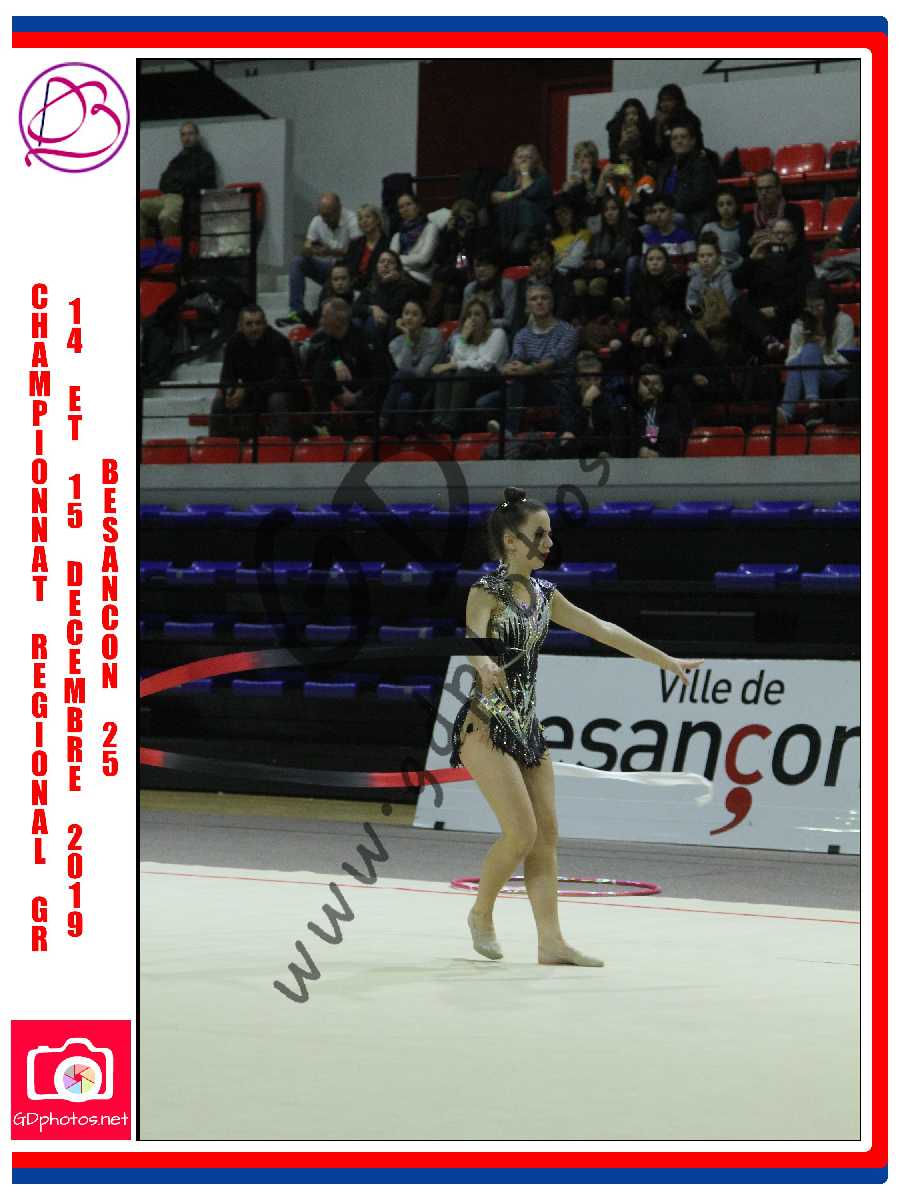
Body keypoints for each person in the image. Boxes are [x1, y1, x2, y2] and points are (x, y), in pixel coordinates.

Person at [451, 487, 703, 965]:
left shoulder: (546, 595)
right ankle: (481, 913)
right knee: (520, 833)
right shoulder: (485, 591)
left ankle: (551, 942)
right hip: (485, 725)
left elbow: (602, 629)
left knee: (546, 837)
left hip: (527, 727)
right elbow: (473, 634)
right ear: (511, 541)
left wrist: (664, 660)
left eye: (550, 533)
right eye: (539, 534)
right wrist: (482, 662)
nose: (549, 542)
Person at [495, 283, 579, 439]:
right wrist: (508, 368)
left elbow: (555, 359)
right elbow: (516, 359)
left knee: (517, 381)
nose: (539, 302)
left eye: (544, 298)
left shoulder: (568, 331)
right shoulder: (522, 335)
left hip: (559, 387)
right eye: (534, 299)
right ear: (528, 306)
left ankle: (509, 430)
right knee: (484, 403)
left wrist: (529, 369)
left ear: (552, 303)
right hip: (529, 385)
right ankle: (499, 434)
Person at [209, 305, 298, 439]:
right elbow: (226, 377)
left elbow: (284, 381)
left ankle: (279, 445)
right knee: (219, 401)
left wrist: (246, 390)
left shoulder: (279, 342)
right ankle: (218, 447)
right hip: (252, 394)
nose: (254, 328)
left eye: (258, 323)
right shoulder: (233, 343)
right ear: (240, 326)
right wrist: (229, 391)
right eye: (249, 324)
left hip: (279, 394)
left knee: (276, 399)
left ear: (265, 324)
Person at [779, 281, 855, 426]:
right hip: (806, 377)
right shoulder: (799, 325)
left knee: (810, 351)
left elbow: (843, 360)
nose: (815, 311)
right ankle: (813, 406)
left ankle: (787, 411)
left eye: (819, 306)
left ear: (828, 303)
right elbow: (789, 362)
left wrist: (817, 356)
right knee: (806, 352)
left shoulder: (843, 321)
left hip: (836, 376)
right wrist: (806, 351)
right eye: (811, 307)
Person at [430, 298, 509, 434]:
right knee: (446, 373)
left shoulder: (498, 334)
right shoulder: (463, 338)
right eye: (469, 315)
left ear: (486, 318)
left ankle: (450, 423)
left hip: (493, 379)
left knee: (462, 372)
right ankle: (438, 420)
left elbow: (485, 364)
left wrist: (453, 365)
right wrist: (463, 337)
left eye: (477, 314)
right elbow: (456, 359)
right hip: (469, 381)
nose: (472, 318)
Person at [307, 298, 383, 438]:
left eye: (324, 316)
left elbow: (380, 375)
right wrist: (335, 362)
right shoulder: (327, 339)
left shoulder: (366, 339)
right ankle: (324, 423)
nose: (321, 321)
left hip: (366, 393)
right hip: (343, 391)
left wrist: (357, 396)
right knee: (319, 371)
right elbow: (319, 369)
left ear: (338, 321)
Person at [283, 192, 360, 326]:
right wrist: (309, 250)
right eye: (322, 215)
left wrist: (331, 251)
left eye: (328, 215)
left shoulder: (352, 220)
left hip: (349, 270)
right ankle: (296, 311)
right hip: (329, 269)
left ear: (339, 209)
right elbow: (305, 248)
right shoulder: (317, 220)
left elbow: (357, 252)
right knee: (298, 262)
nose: (325, 219)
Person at [140, 121, 217, 239]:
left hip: (185, 197)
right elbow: (163, 182)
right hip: (167, 196)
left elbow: (197, 181)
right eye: (183, 134)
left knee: (166, 216)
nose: (186, 138)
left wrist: (177, 180)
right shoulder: (177, 159)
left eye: (190, 134)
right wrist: (181, 180)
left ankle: (170, 247)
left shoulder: (205, 158)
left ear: (197, 136)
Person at [381, 298, 444, 436]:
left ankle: (383, 418)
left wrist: (408, 338)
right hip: (405, 389)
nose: (409, 318)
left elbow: (421, 372)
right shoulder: (395, 344)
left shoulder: (434, 335)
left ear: (423, 319)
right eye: (406, 313)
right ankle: (401, 439)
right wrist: (408, 338)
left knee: (401, 376)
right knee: (406, 398)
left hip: (429, 388)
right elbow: (404, 367)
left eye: (415, 314)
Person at [611, 363, 691, 458]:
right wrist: (639, 451)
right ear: (637, 387)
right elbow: (621, 447)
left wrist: (658, 455)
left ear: (661, 388)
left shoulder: (670, 411)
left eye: (655, 383)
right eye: (645, 383)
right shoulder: (626, 413)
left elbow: (673, 444)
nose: (650, 388)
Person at [430, 198, 492, 320]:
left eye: (468, 217)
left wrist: (464, 238)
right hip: (452, 275)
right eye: (461, 218)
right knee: (451, 289)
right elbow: (439, 257)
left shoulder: (480, 233)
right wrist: (448, 234)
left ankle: (431, 315)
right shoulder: (450, 233)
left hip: (471, 272)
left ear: (475, 218)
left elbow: (474, 257)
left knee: (442, 275)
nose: (465, 221)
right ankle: (441, 322)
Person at [491, 144, 553, 262]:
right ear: (513, 161)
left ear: (536, 162)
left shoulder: (543, 180)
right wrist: (518, 192)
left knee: (517, 248)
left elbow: (529, 192)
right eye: (519, 157)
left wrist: (525, 173)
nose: (523, 160)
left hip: (531, 230)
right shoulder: (507, 180)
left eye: (528, 157)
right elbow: (495, 197)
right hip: (506, 227)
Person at [658, 121, 717, 234]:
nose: (679, 141)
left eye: (683, 137)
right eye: (674, 138)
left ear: (692, 141)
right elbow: (658, 194)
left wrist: (668, 209)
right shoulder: (666, 166)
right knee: (641, 229)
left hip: (690, 216)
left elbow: (698, 198)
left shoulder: (701, 165)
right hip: (665, 213)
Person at [352, 249, 419, 348]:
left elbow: (388, 309)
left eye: (390, 262)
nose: (385, 265)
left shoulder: (405, 286)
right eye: (382, 261)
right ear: (377, 266)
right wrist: (371, 309)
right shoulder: (372, 284)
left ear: (397, 268)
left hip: (394, 326)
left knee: (373, 321)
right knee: (355, 322)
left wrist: (385, 284)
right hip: (375, 325)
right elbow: (354, 308)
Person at [629, 246, 688, 345]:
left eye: (659, 259)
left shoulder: (677, 281)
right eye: (650, 259)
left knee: (649, 342)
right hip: (643, 327)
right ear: (645, 262)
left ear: (666, 262)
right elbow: (635, 312)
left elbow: (675, 312)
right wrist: (638, 330)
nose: (654, 263)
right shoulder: (639, 282)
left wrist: (648, 330)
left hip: (669, 328)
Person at [739, 171, 807, 251]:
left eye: (768, 188)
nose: (763, 193)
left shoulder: (794, 212)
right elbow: (744, 250)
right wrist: (750, 244)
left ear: (779, 189)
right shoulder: (747, 218)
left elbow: (798, 245)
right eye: (760, 189)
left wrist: (767, 237)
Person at [389, 193, 439, 292]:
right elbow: (391, 261)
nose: (405, 209)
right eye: (401, 207)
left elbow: (423, 259)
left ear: (418, 207)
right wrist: (407, 262)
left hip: (422, 278)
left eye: (408, 204)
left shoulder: (430, 228)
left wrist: (399, 260)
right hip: (399, 276)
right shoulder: (397, 235)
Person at [461, 250, 517, 334]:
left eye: (486, 265)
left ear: (495, 268)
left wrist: (483, 322)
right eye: (478, 266)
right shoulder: (469, 289)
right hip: (473, 333)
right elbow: (464, 319)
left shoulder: (507, 286)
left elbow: (509, 321)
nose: (481, 269)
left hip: (498, 332)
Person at [685, 232, 737, 316]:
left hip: (724, 317)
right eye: (701, 256)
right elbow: (690, 302)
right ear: (697, 258)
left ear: (718, 257)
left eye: (710, 255)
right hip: (701, 317)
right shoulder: (695, 278)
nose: (705, 260)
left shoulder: (726, 277)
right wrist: (699, 314)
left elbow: (730, 303)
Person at [640, 194, 696, 270]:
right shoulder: (648, 240)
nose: (658, 215)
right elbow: (645, 267)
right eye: (654, 211)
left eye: (662, 210)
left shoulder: (686, 237)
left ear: (672, 212)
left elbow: (693, 267)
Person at [652, 83, 705, 159]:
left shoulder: (689, 118)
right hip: (661, 161)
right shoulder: (655, 121)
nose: (664, 104)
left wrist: (665, 126)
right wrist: (658, 126)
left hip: (688, 159)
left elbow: (696, 145)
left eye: (669, 100)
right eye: (662, 100)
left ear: (678, 101)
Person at [344, 204, 390, 291]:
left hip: (375, 288)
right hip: (352, 286)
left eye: (368, 217)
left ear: (377, 220)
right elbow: (346, 267)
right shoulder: (355, 244)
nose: (364, 221)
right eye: (360, 219)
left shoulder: (388, 244)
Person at [699, 186, 744, 273]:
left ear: (737, 205)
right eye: (721, 205)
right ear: (716, 208)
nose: (725, 208)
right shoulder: (708, 228)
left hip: (735, 272)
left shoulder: (743, 229)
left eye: (729, 204)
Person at [548, 196, 592, 273]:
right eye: (558, 214)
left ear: (573, 213)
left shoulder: (583, 234)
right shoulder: (552, 240)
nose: (561, 216)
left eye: (564, 212)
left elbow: (575, 260)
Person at [606, 98, 656, 165]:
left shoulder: (647, 129)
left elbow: (651, 155)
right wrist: (622, 143)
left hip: (642, 165)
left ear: (640, 115)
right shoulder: (615, 130)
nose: (631, 117)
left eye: (634, 114)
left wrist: (638, 140)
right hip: (621, 166)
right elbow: (613, 158)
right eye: (627, 114)